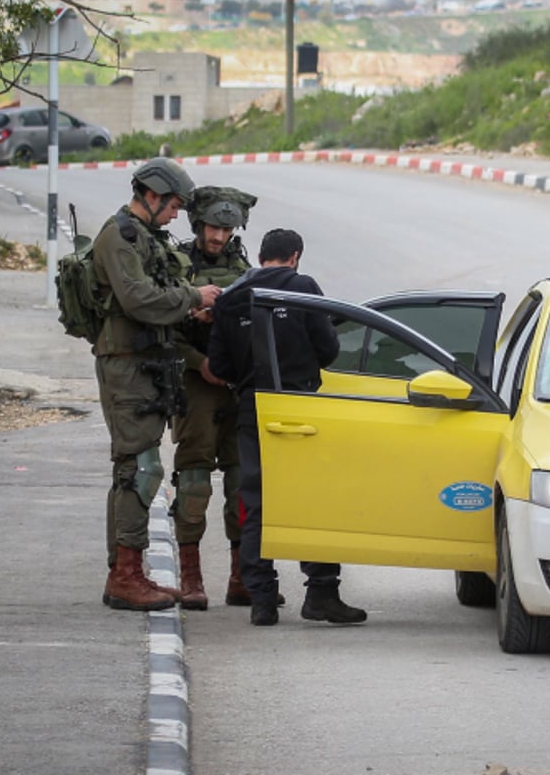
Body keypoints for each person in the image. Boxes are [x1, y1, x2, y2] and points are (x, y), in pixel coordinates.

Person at [206, 228, 366, 627]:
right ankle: (321, 593)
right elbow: (329, 350)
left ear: (261, 257)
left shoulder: (231, 299)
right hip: (302, 410)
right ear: (295, 256)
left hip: (253, 410)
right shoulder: (302, 288)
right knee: (315, 500)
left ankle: (262, 600)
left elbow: (220, 366)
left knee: (257, 502)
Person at [93, 157, 221, 612]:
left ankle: (125, 570)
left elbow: (151, 297)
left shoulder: (141, 236)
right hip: (126, 366)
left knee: (135, 467)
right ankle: (125, 576)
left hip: (143, 364)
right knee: (139, 469)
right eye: (172, 206)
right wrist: (192, 297)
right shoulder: (120, 236)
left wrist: (190, 311)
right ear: (152, 195)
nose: (175, 214)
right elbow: (136, 298)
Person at [170, 186, 259, 610]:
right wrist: (197, 361)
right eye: (212, 226)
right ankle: (191, 578)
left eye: (226, 228)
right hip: (196, 387)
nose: (219, 236)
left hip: (235, 389)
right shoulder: (177, 268)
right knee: (193, 484)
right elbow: (160, 329)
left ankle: (241, 576)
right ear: (197, 224)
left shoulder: (246, 270)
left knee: (243, 484)